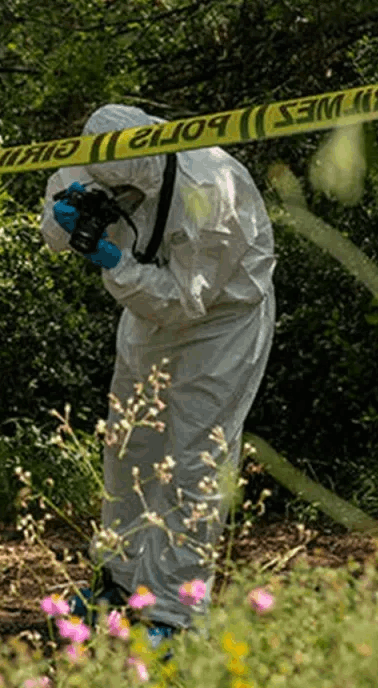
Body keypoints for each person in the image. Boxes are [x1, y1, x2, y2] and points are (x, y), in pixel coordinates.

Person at [41, 104, 275, 640]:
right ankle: (120, 583)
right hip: (145, 314)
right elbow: (52, 227)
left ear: (141, 173)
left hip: (219, 324)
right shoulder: (97, 154)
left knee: (193, 458)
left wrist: (112, 261)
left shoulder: (209, 190)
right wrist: (66, 217)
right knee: (128, 445)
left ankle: (174, 614)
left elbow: (183, 300)